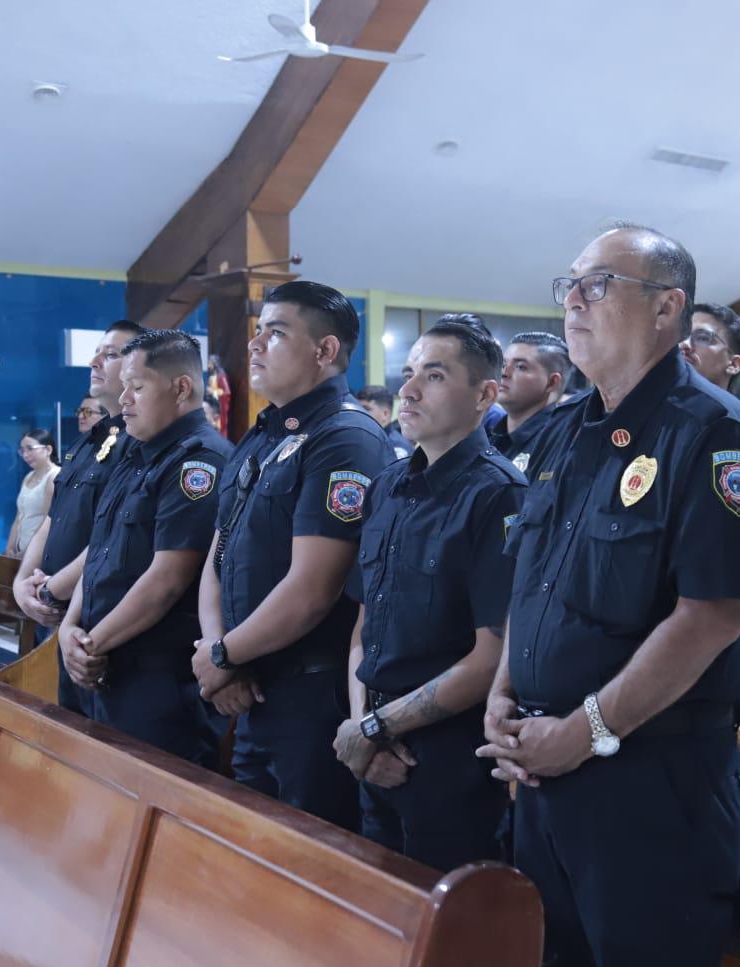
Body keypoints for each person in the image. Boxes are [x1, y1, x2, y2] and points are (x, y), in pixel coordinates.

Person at [477, 224, 740, 967]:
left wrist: (586, 730)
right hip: (546, 775)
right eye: (569, 284)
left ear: (667, 308)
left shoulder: (712, 433)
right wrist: (504, 694)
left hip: (652, 780)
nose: (572, 300)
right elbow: (533, 585)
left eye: (598, 284)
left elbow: (712, 617)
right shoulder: (566, 431)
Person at [193, 280, 391, 832]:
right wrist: (218, 653)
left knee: (315, 860)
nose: (255, 346)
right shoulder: (262, 437)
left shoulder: (346, 438)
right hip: (246, 685)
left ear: (325, 351)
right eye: (258, 333)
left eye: (275, 334)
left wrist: (226, 656)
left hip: (308, 695)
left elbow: (313, 589)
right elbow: (220, 555)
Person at [332, 314, 525, 871]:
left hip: (450, 759)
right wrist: (361, 728)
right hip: (373, 747)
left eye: (434, 376)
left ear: (485, 394)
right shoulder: (389, 485)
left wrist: (374, 729)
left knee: (448, 940)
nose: (408, 389)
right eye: (409, 371)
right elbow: (362, 630)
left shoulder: (500, 496)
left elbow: (491, 657)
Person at [59, 330, 231, 767]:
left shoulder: (200, 461)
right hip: (101, 659)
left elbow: (167, 580)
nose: (125, 397)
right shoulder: (134, 453)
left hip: (155, 675)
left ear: (180, 388)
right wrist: (70, 628)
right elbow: (98, 551)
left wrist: (92, 644)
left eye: (137, 387)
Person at [12, 320, 141, 717]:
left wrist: (54, 592)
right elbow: (55, 518)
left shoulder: (140, 441)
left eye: (111, 353)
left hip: (97, 619)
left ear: (140, 365)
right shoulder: (92, 437)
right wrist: (22, 584)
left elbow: (111, 537)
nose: (95, 361)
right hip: (62, 614)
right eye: (97, 352)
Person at [488, 331, 571, 474]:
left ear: (552, 382)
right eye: (503, 364)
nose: (504, 373)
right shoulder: (491, 437)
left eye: (521, 367)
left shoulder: (561, 445)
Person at [6, 428, 59, 558]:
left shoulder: (54, 476)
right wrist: (10, 548)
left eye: (30, 448)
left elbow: (49, 521)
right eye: (22, 450)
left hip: (40, 553)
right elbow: (19, 517)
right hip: (21, 550)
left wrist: (28, 553)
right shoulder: (28, 476)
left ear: (48, 450)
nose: (25, 455)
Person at [681, 303, 740, 392]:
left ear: (733, 364)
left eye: (702, 338)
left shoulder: (727, 406)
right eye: (681, 336)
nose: (684, 344)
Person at [357, 384, 413, 461]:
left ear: (385, 414)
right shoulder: (369, 439)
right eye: (358, 408)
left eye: (366, 409)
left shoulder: (397, 448)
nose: (359, 413)